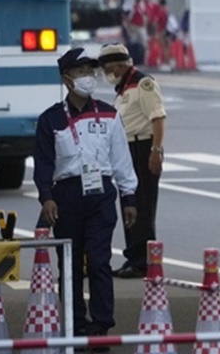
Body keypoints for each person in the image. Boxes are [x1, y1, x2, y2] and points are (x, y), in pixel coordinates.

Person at [33, 48, 138, 345]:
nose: (88, 77)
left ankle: (101, 325)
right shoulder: (51, 119)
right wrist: (46, 197)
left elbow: (122, 160)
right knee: (69, 264)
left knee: (98, 260)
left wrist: (129, 198)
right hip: (66, 195)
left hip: (101, 193)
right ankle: (75, 323)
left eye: (91, 71)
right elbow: (43, 163)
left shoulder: (109, 114)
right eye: (81, 72)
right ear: (67, 79)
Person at [97, 43, 167, 280]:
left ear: (118, 67)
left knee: (143, 206)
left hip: (143, 148)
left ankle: (143, 262)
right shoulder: (124, 88)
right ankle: (133, 257)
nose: (106, 74)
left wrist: (155, 151)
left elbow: (158, 118)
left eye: (107, 69)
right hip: (128, 150)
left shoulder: (143, 84)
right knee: (130, 203)